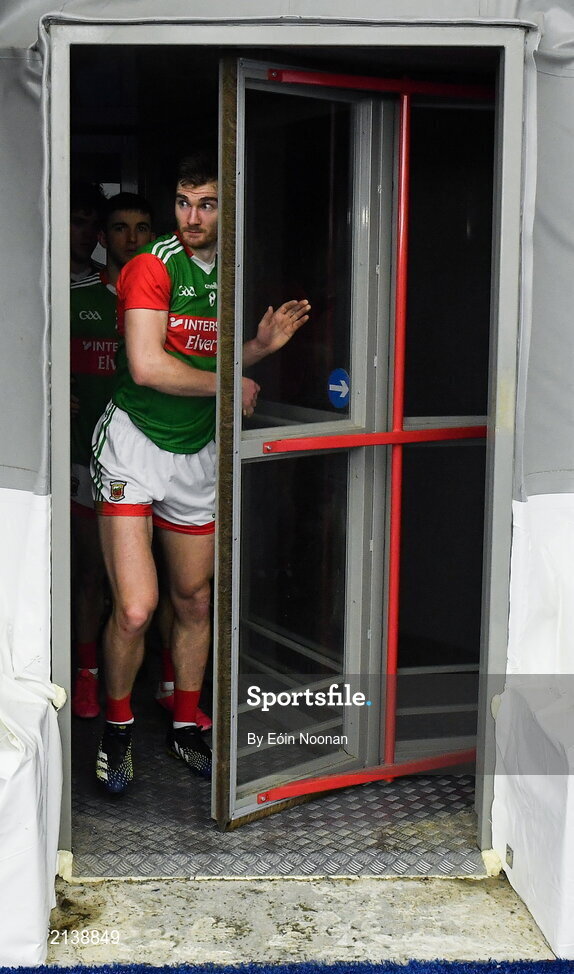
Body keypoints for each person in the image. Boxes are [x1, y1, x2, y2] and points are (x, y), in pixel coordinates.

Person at [91, 152, 310, 795]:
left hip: (196, 450)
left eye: (207, 203)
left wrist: (258, 351)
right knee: (136, 608)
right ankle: (117, 727)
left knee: (193, 600)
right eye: (184, 202)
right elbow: (148, 368)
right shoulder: (151, 267)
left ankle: (185, 725)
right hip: (133, 446)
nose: (192, 217)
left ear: (228, 209)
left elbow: (207, 363)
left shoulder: (233, 270)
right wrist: (234, 380)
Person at [70, 192, 154, 719]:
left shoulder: (165, 292)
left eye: (141, 228)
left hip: (152, 453)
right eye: (118, 228)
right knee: (92, 575)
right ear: (104, 237)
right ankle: (87, 676)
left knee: (165, 582)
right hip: (87, 453)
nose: (130, 238)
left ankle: (169, 685)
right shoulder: (75, 291)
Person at [70, 181, 106, 282]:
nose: (88, 233)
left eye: (95, 225)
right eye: (79, 223)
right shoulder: (44, 276)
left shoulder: (108, 280)